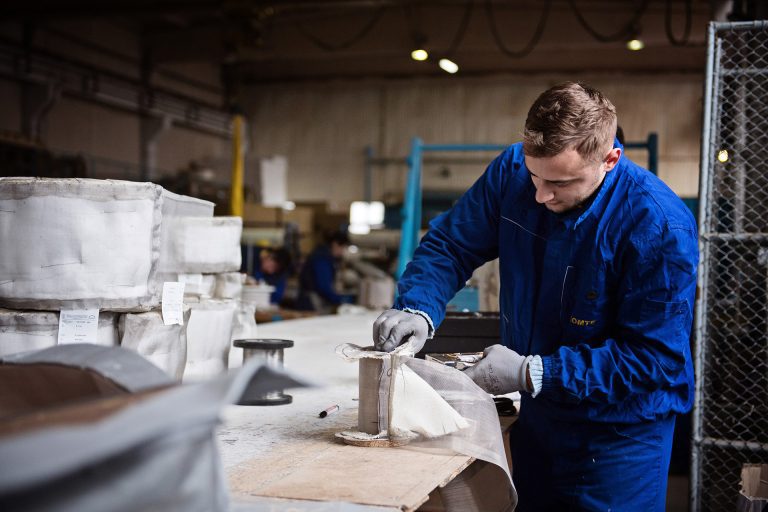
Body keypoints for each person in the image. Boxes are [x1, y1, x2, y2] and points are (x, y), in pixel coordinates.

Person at [372, 82, 697, 511]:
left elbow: (654, 358)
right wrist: (418, 306)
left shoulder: (658, 226)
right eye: (535, 176)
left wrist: (531, 372)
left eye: (560, 182)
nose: (541, 195)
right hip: (541, 420)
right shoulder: (512, 172)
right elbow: (452, 244)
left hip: (620, 437)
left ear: (610, 159)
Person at [297, 230, 353, 312]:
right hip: (310, 303)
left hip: (312, 299)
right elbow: (323, 286)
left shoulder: (326, 257)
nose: (343, 252)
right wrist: (341, 300)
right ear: (335, 244)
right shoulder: (321, 259)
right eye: (343, 248)